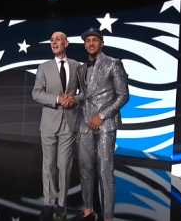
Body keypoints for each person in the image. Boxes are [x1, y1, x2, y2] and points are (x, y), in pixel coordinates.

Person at [69, 28, 130, 221]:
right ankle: (88, 210)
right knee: (85, 169)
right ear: (85, 45)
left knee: (105, 172)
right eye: (88, 41)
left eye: (95, 40)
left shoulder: (113, 64)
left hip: (105, 125)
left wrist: (102, 115)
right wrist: (73, 99)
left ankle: (108, 217)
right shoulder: (81, 68)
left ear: (101, 43)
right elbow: (86, 95)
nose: (91, 43)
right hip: (85, 123)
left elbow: (123, 96)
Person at [32, 31, 80, 221]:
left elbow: (85, 93)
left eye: (58, 39)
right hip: (49, 123)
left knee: (64, 165)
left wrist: (74, 99)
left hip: (69, 123)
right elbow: (36, 93)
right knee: (49, 164)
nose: (54, 42)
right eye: (51, 40)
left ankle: (61, 204)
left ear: (66, 43)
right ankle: (48, 202)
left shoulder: (77, 66)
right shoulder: (43, 68)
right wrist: (58, 99)